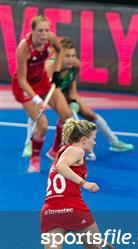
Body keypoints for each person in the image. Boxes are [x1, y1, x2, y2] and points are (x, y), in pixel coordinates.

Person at [15, 119, 129, 249]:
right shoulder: (77, 150)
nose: (95, 143)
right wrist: (85, 183)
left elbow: (60, 167)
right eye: (93, 138)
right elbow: (61, 167)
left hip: (50, 211)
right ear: (83, 139)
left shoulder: (62, 151)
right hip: (73, 210)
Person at [22, 37, 134, 161]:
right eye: (67, 56)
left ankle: (115, 142)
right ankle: (29, 144)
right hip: (44, 91)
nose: (71, 59)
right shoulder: (49, 67)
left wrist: (73, 99)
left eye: (73, 55)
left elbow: (71, 82)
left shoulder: (75, 65)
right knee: (40, 113)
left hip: (63, 90)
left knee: (90, 115)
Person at [12, 15, 72, 173]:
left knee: (66, 115)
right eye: (40, 30)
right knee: (43, 125)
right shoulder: (24, 48)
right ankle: (35, 158)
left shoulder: (49, 38)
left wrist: (57, 72)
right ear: (32, 31)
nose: (44, 34)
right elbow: (22, 79)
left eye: (47, 30)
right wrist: (37, 99)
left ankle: (55, 151)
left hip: (43, 81)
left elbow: (59, 51)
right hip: (24, 87)